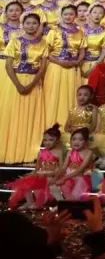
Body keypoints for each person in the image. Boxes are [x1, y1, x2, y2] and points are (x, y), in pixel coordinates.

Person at [0, 13, 50, 164]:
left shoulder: (44, 43)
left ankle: (27, 153)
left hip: (33, 83)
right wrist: (18, 85)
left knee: (30, 117)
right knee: (12, 116)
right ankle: (7, 152)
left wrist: (31, 85)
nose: (31, 26)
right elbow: (8, 66)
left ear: (39, 26)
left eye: (34, 23)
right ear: (23, 25)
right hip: (15, 83)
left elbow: (42, 68)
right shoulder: (14, 41)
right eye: (28, 23)